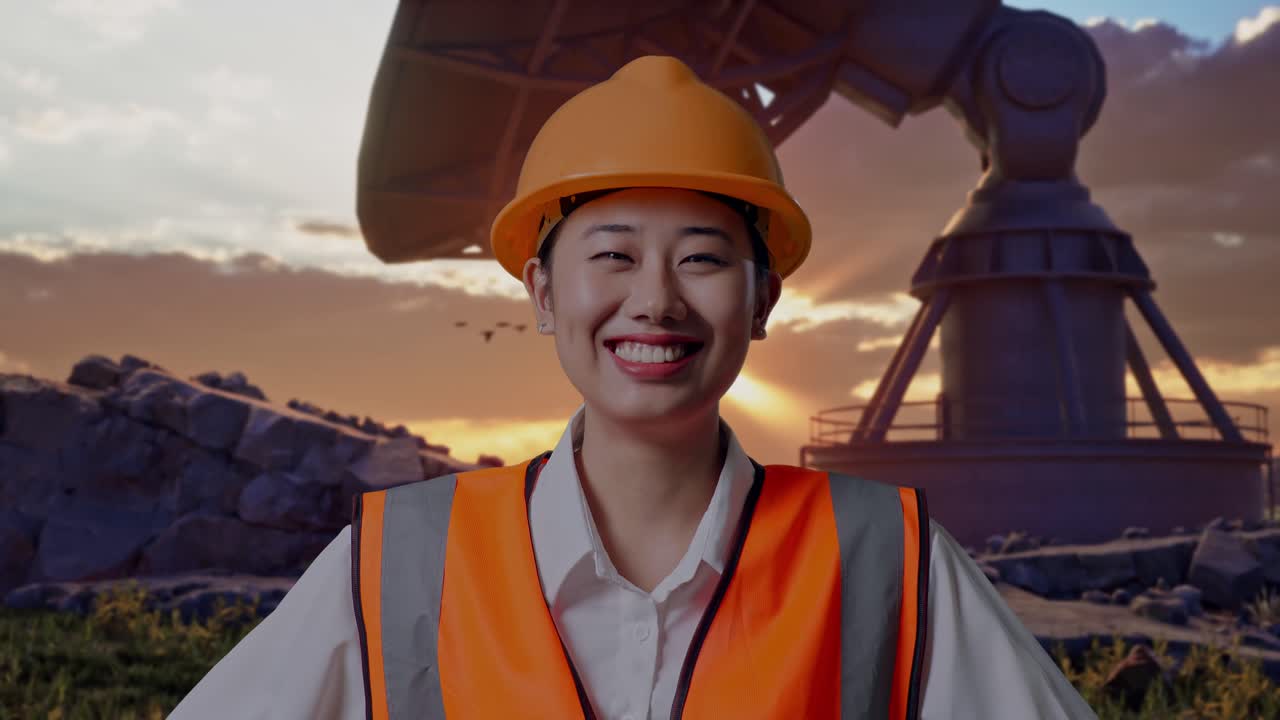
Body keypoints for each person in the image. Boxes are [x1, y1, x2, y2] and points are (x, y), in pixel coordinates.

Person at [169, 55, 1097, 719]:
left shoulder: (886, 564)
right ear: (541, 291)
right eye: (612, 255)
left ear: (763, 299)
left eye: (700, 259)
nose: (654, 301)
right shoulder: (399, 566)